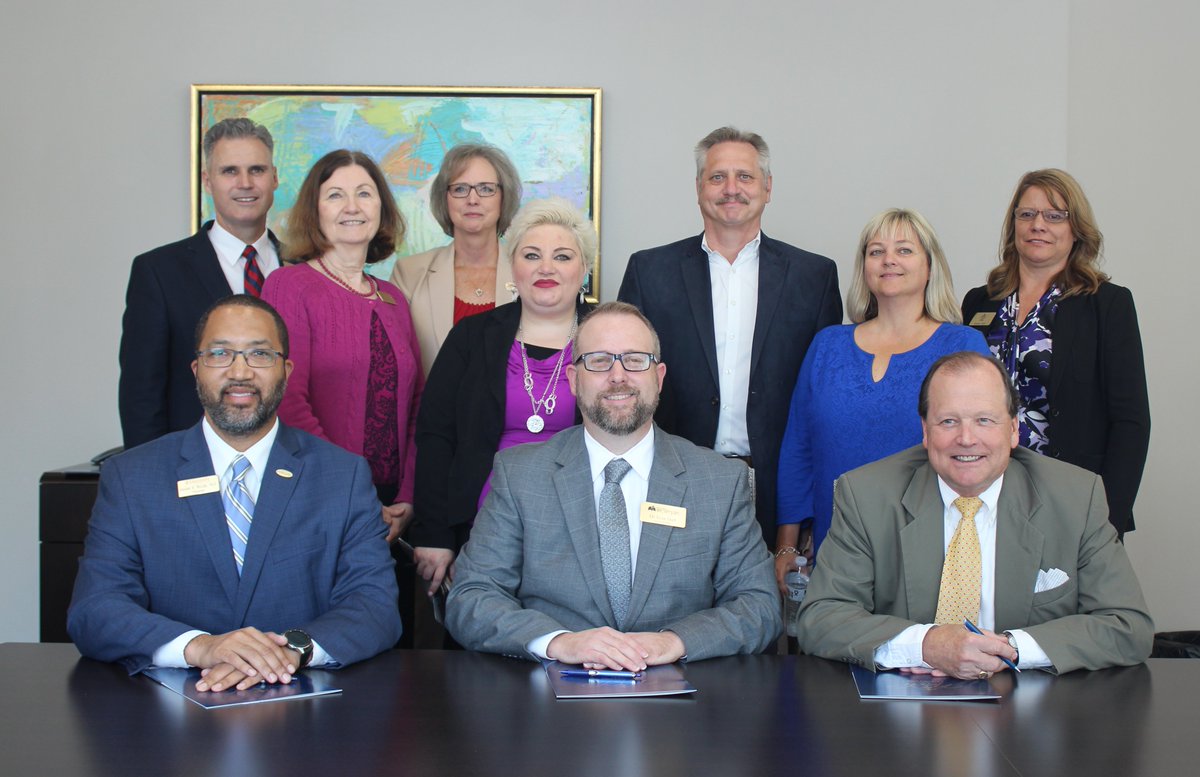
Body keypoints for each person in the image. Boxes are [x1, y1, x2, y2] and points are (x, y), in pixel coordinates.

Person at [68, 295, 401, 689]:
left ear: (286, 370)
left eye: (260, 354)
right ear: (196, 369)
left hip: (304, 713)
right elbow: (95, 609)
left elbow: (374, 606)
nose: (240, 372)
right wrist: (202, 647)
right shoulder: (131, 476)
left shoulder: (342, 475)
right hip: (165, 717)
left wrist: (289, 651)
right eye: (220, 353)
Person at [446, 302, 780, 666]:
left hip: (683, 705)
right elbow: (471, 598)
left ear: (660, 376)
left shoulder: (719, 481)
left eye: (636, 360)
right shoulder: (520, 475)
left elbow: (758, 606)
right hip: (549, 702)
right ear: (573, 380)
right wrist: (560, 643)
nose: (618, 376)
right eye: (599, 361)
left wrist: (674, 642)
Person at [797, 351, 1153, 677]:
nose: (966, 439)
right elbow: (821, 618)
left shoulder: (1076, 496)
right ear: (925, 431)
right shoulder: (867, 495)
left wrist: (1011, 648)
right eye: (948, 421)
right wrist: (927, 645)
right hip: (901, 716)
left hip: (1035, 715)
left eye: (985, 420)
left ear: (1014, 430)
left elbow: (1127, 625)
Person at [619, 126, 842, 545]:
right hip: (670, 478)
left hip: (776, 486)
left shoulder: (814, 277)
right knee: (670, 605)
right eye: (718, 177)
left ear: (768, 187)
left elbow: (820, 397)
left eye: (745, 176)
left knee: (767, 608)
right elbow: (626, 382)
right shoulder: (650, 272)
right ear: (699, 188)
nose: (731, 189)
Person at [775, 209, 989, 592]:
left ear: (929, 267)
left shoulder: (962, 345)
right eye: (876, 252)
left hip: (932, 552)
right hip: (837, 550)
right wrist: (787, 545)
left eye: (904, 250)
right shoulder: (828, 345)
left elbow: (978, 450)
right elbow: (798, 448)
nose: (888, 259)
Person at [409, 198, 595, 599]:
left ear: (584, 270)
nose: (546, 267)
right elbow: (436, 437)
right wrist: (436, 533)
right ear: (513, 267)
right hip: (482, 531)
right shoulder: (471, 337)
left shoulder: (609, 340)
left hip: (585, 535)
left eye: (562, 256)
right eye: (532, 255)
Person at [961, 169, 1150, 537]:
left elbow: (1131, 421)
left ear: (1075, 229)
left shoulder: (1106, 305)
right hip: (982, 492)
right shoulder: (979, 302)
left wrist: (1106, 518)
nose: (1038, 225)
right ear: (1013, 224)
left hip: (1071, 499)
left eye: (1054, 215)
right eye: (1027, 214)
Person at [261, 150, 422, 545]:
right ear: (314, 211)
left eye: (364, 193)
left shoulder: (394, 299)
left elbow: (418, 405)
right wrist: (356, 493)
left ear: (381, 209)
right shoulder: (288, 285)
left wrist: (408, 497)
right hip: (318, 500)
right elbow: (288, 401)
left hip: (393, 515)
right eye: (335, 195)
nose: (352, 206)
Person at [119, 118, 282, 449]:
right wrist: (154, 480)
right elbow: (141, 394)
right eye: (230, 171)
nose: (245, 183)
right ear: (208, 181)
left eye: (257, 170)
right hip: (194, 467)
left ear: (275, 178)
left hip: (294, 467)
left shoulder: (303, 268)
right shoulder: (159, 271)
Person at [390, 144, 523, 375]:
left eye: (486, 188)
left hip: (510, 410)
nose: (472, 199)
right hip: (433, 409)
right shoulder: (409, 274)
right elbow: (394, 363)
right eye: (460, 189)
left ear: (504, 197)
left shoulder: (528, 272)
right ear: (445, 199)